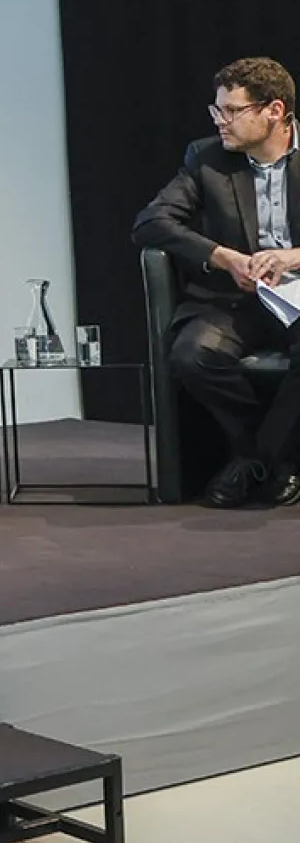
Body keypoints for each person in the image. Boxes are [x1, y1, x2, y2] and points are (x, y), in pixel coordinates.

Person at [133, 56, 300, 508]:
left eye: (232, 111)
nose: (221, 121)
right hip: (237, 298)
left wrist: (293, 257)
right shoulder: (207, 158)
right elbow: (151, 222)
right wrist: (223, 257)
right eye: (217, 110)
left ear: (274, 112)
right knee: (191, 354)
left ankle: (261, 460)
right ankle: (267, 457)